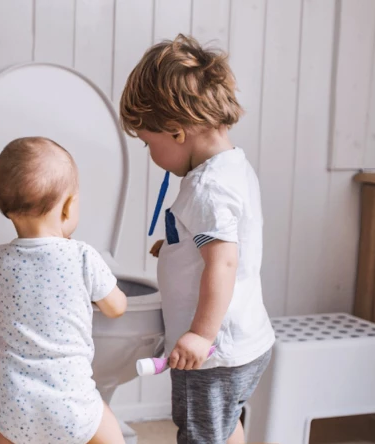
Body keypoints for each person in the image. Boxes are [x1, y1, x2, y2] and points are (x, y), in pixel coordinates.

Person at [120, 35, 275, 444]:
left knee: (201, 434)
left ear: (175, 133)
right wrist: (174, 249)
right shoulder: (234, 168)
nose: (151, 154)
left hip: (214, 353)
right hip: (244, 342)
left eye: (148, 143)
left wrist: (201, 336)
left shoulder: (207, 189)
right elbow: (221, 244)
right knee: (223, 428)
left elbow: (222, 262)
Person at [0, 137, 128, 444]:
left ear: (6, 209)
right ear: (67, 207)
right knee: (109, 430)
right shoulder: (82, 256)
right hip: (71, 404)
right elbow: (116, 307)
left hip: (13, 404)